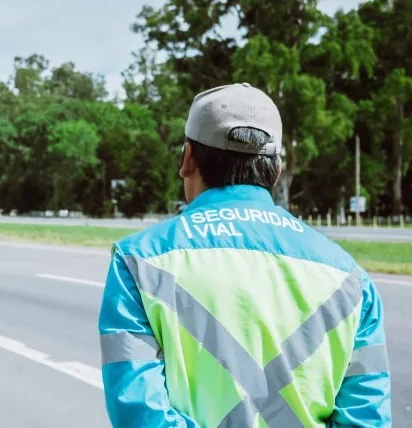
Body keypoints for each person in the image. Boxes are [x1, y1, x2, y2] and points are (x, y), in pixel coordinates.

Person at [98, 83, 391, 427]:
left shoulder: (137, 261)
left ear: (187, 158)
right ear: (276, 170)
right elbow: (367, 419)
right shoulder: (350, 278)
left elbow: (139, 414)